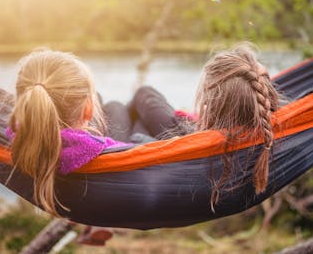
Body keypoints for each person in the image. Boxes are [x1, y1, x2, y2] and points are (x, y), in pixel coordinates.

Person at [119, 42, 280, 206]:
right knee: (141, 103)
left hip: (182, 139)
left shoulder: (201, 148)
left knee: (123, 104)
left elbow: (138, 139)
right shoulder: (277, 128)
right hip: (192, 132)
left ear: (211, 103)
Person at [7, 49, 131, 245]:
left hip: (86, 185)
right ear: (88, 109)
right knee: (141, 98)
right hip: (130, 156)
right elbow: (134, 151)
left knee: (116, 106)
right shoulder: (100, 148)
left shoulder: (18, 139)